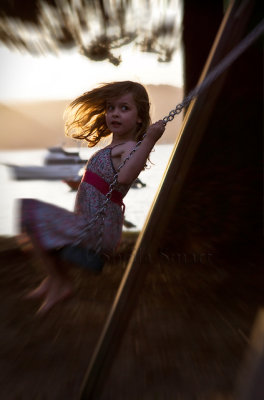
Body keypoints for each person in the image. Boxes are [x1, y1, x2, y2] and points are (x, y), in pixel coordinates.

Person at [18, 81, 165, 314]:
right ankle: (55, 279)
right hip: (87, 223)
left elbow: (125, 177)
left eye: (124, 108)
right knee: (30, 219)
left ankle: (59, 281)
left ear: (140, 117)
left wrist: (149, 140)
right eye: (111, 108)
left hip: (96, 229)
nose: (115, 113)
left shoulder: (130, 148)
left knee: (30, 211)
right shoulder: (110, 149)